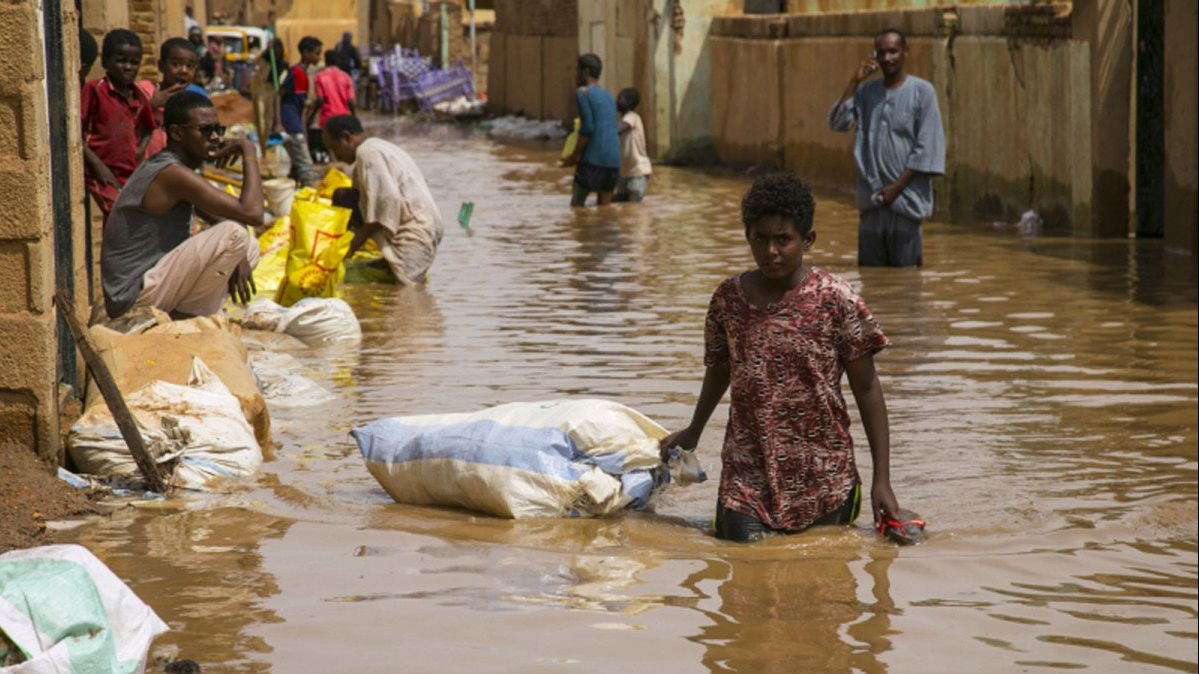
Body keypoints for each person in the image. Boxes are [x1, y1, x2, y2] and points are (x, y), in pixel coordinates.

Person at [659, 172, 902, 543]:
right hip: (747, 477)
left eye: (783, 240)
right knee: (742, 580)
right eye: (761, 239)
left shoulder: (837, 300)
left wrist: (881, 480)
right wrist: (694, 430)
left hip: (825, 479)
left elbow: (867, 388)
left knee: (823, 587)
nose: (771, 251)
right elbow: (720, 370)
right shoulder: (728, 300)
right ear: (748, 239)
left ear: (807, 240)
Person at [101, 92, 262, 321]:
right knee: (234, 235)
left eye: (219, 130)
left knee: (248, 245)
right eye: (206, 130)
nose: (215, 137)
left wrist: (240, 256)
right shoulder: (172, 174)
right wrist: (248, 151)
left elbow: (227, 217)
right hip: (133, 297)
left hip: (154, 284)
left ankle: (190, 316)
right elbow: (253, 213)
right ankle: (187, 319)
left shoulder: (176, 169)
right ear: (177, 133)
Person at [828, 28, 945, 267]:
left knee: (907, 283)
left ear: (905, 52)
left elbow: (927, 147)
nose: (887, 58)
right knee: (872, 283)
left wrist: (896, 188)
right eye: (881, 53)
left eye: (893, 51)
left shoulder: (922, 92)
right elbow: (838, 123)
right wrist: (855, 81)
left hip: (906, 206)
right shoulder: (865, 93)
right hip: (871, 205)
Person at [322, 115, 443, 285]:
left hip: (413, 234)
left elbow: (385, 204)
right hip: (422, 225)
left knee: (406, 300)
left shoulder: (368, 154)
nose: (336, 156)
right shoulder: (378, 147)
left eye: (335, 148)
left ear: (346, 137)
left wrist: (349, 247)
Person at [82, 29, 156, 223]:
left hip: (128, 173)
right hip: (100, 173)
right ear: (106, 62)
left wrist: (138, 152)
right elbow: (76, 132)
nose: (127, 67)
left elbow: (149, 127)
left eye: (133, 63)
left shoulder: (138, 96)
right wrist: (98, 165)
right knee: (119, 213)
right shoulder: (96, 90)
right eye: (121, 61)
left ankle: (113, 254)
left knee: (123, 221)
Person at [560, 54, 620, 207]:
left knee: (577, 208)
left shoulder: (582, 93)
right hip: (613, 162)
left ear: (585, 72)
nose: (575, 75)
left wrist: (573, 156)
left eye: (577, 71)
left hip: (592, 161)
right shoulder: (608, 95)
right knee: (605, 212)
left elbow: (587, 128)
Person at [139, 37, 209, 158]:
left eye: (190, 66)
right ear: (161, 66)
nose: (183, 71)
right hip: (145, 167)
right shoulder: (144, 91)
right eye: (176, 64)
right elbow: (125, 122)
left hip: (178, 168)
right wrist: (152, 105)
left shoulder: (195, 99)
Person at [277, 36, 323, 186]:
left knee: (297, 165)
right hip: (290, 123)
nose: (318, 57)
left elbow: (301, 106)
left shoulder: (303, 74)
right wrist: (278, 123)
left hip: (296, 123)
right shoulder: (295, 72)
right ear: (305, 53)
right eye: (316, 53)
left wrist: (305, 128)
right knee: (306, 166)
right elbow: (278, 96)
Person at [614, 87, 651, 203]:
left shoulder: (632, 117)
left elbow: (618, 130)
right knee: (622, 201)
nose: (618, 101)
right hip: (625, 170)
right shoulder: (623, 119)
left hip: (638, 169)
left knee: (634, 203)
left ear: (629, 103)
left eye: (621, 98)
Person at [308, 49, 357, 130]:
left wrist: (312, 117)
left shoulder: (320, 77)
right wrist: (354, 117)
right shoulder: (346, 77)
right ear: (338, 61)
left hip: (327, 118)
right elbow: (351, 101)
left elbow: (320, 100)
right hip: (343, 117)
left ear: (326, 61)